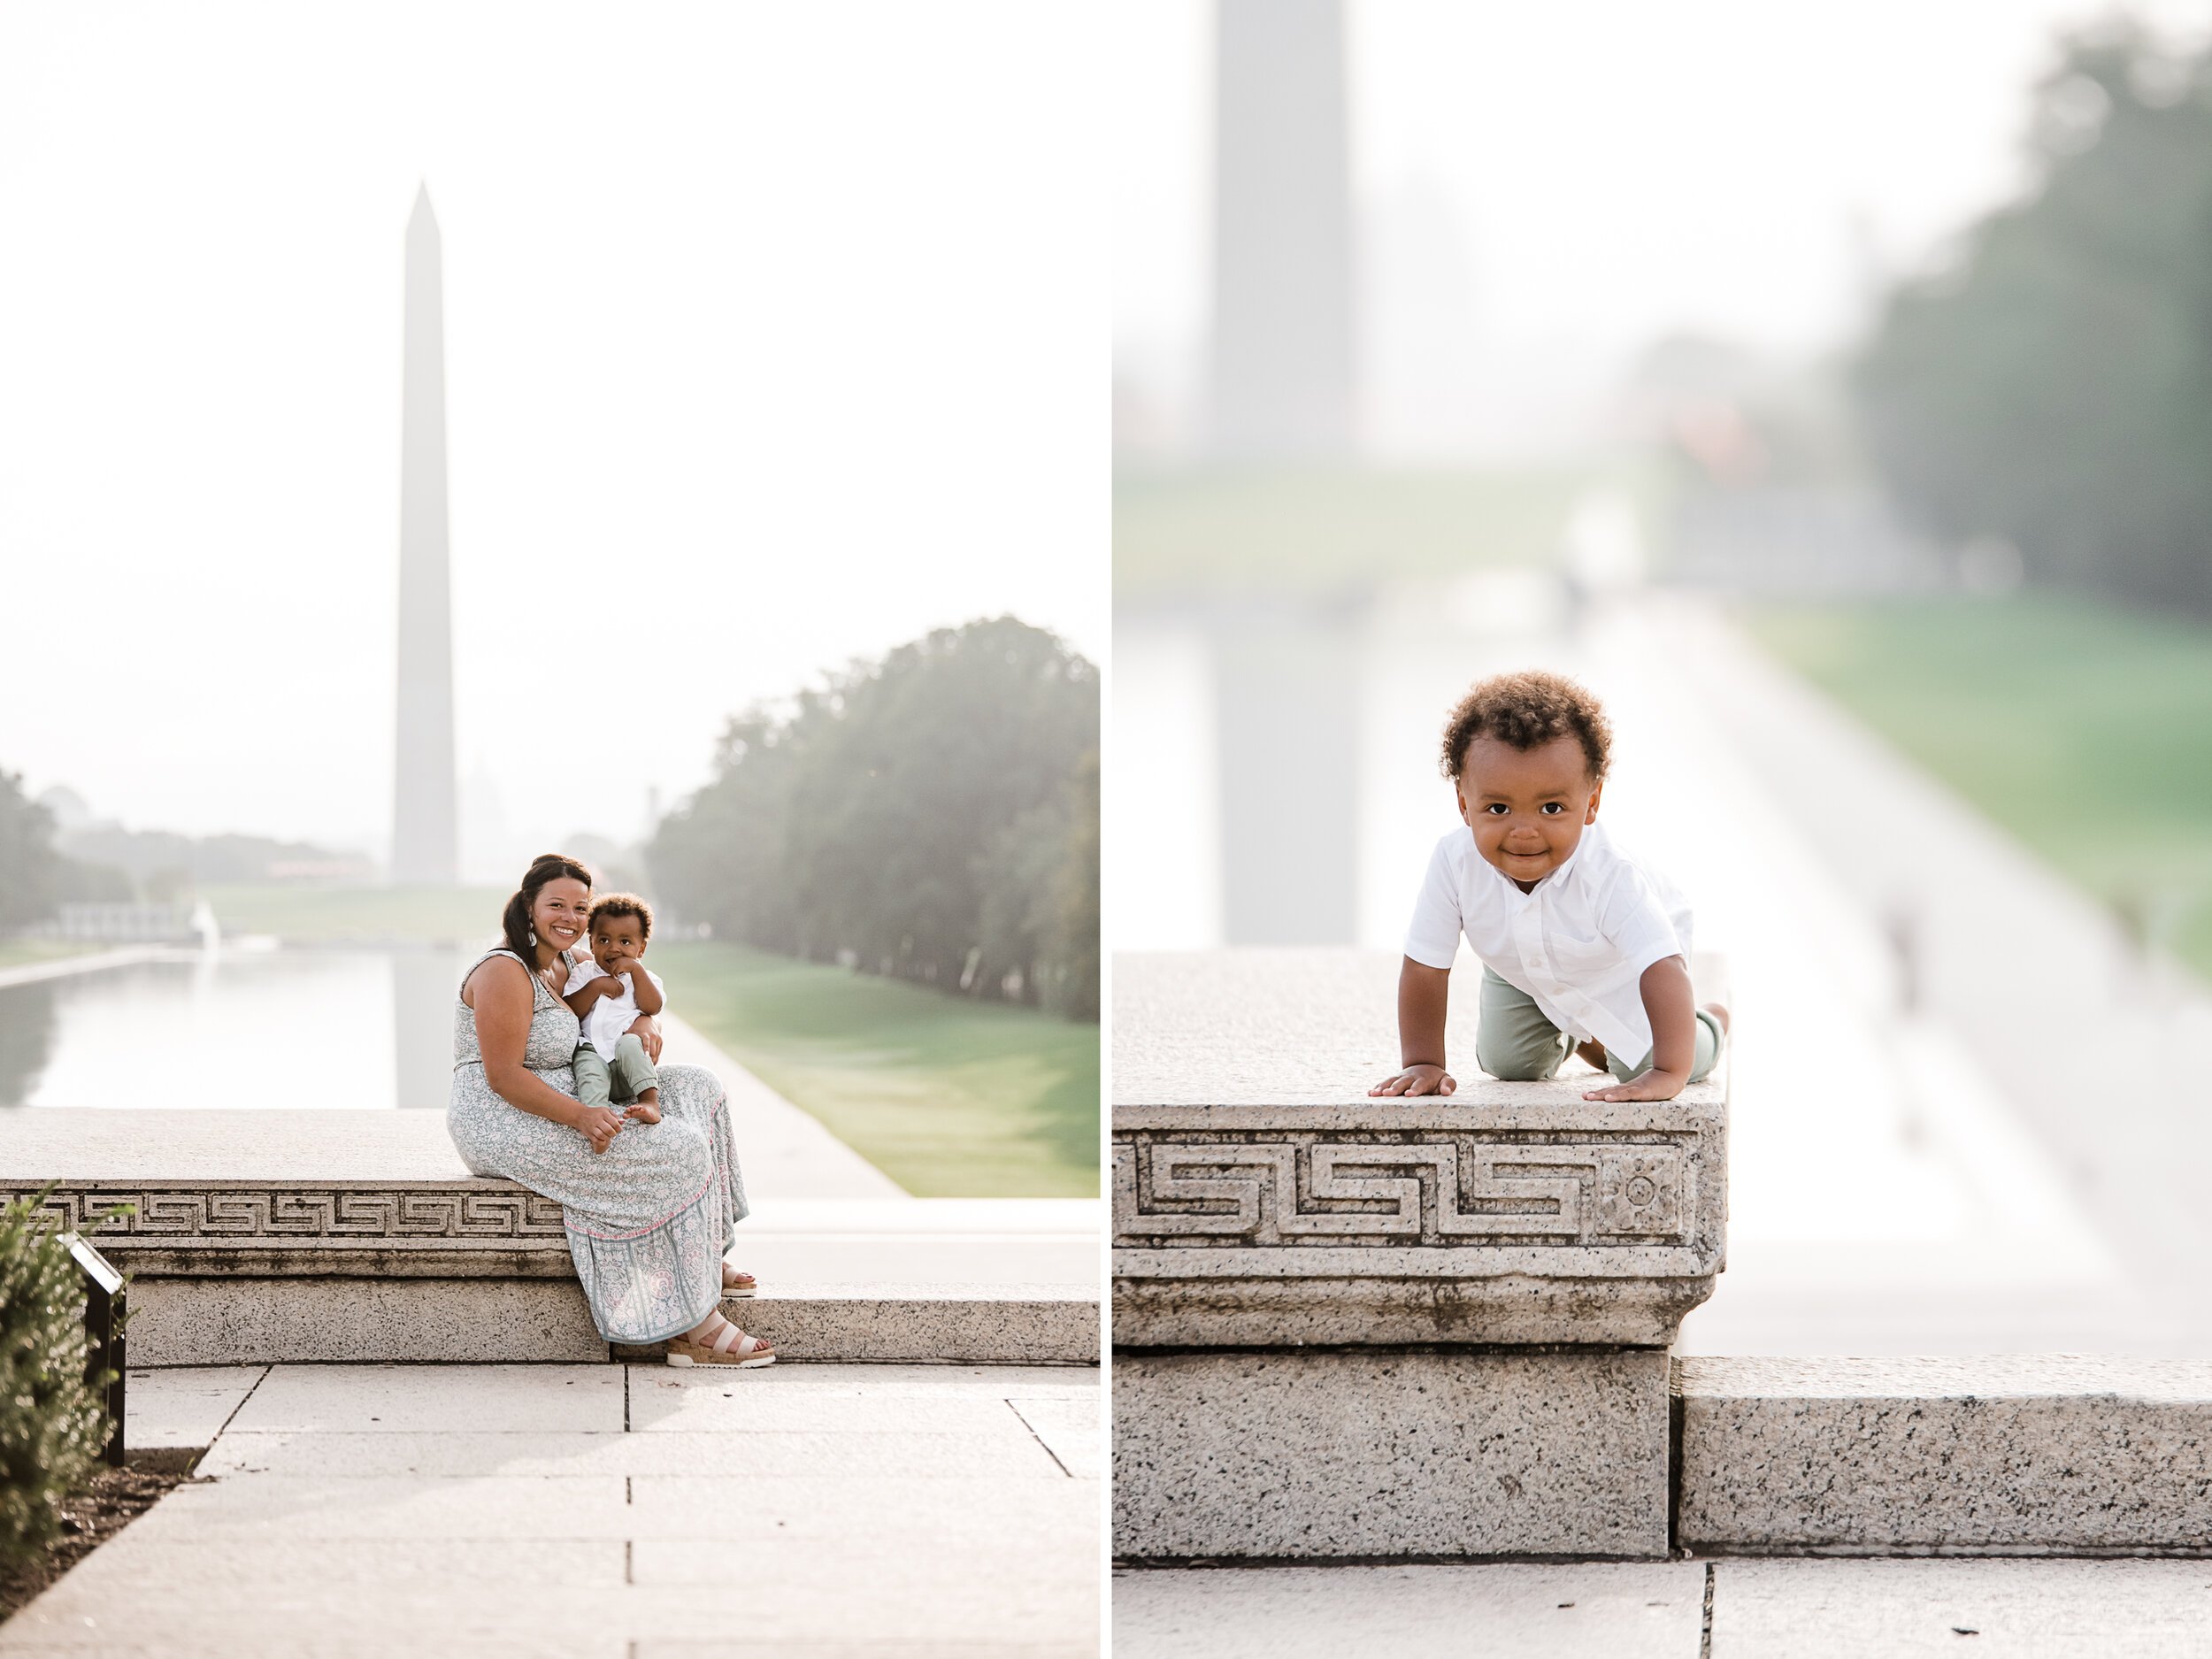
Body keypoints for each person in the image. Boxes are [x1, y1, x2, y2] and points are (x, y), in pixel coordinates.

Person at [449, 853, 774, 1366]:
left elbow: (633, 1005)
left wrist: (647, 1027)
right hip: (502, 1114)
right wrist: (581, 1116)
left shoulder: (574, 961)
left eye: (581, 908)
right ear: (528, 906)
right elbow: (504, 1076)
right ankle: (693, 1326)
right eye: (557, 905)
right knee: (677, 1149)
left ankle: (706, 1254)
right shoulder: (503, 971)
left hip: (574, 1083)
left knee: (699, 1087)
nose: (571, 918)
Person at [1369, 670, 1728, 1104]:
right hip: (1520, 967)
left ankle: (1710, 1023)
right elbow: (1425, 966)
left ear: (1591, 804)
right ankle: (1585, 1035)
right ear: (1465, 804)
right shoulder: (1453, 861)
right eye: (1498, 808)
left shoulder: (1611, 875)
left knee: (1641, 1064)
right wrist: (1423, 1061)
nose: (1524, 831)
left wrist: (1669, 1073)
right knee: (1509, 1064)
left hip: (1626, 971)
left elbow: (1662, 967)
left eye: (1552, 808)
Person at [561, 893, 667, 1132]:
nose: (614, 949)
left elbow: (653, 1007)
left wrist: (636, 972)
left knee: (630, 1043)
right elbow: (572, 1011)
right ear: (591, 943)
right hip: (594, 1053)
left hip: (627, 1066)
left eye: (625, 942)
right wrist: (596, 987)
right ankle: (597, 1118)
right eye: (604, 940)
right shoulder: (584, 973)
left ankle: (649, 1101)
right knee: (586, 1063)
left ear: (641, 949)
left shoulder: (645, 979)